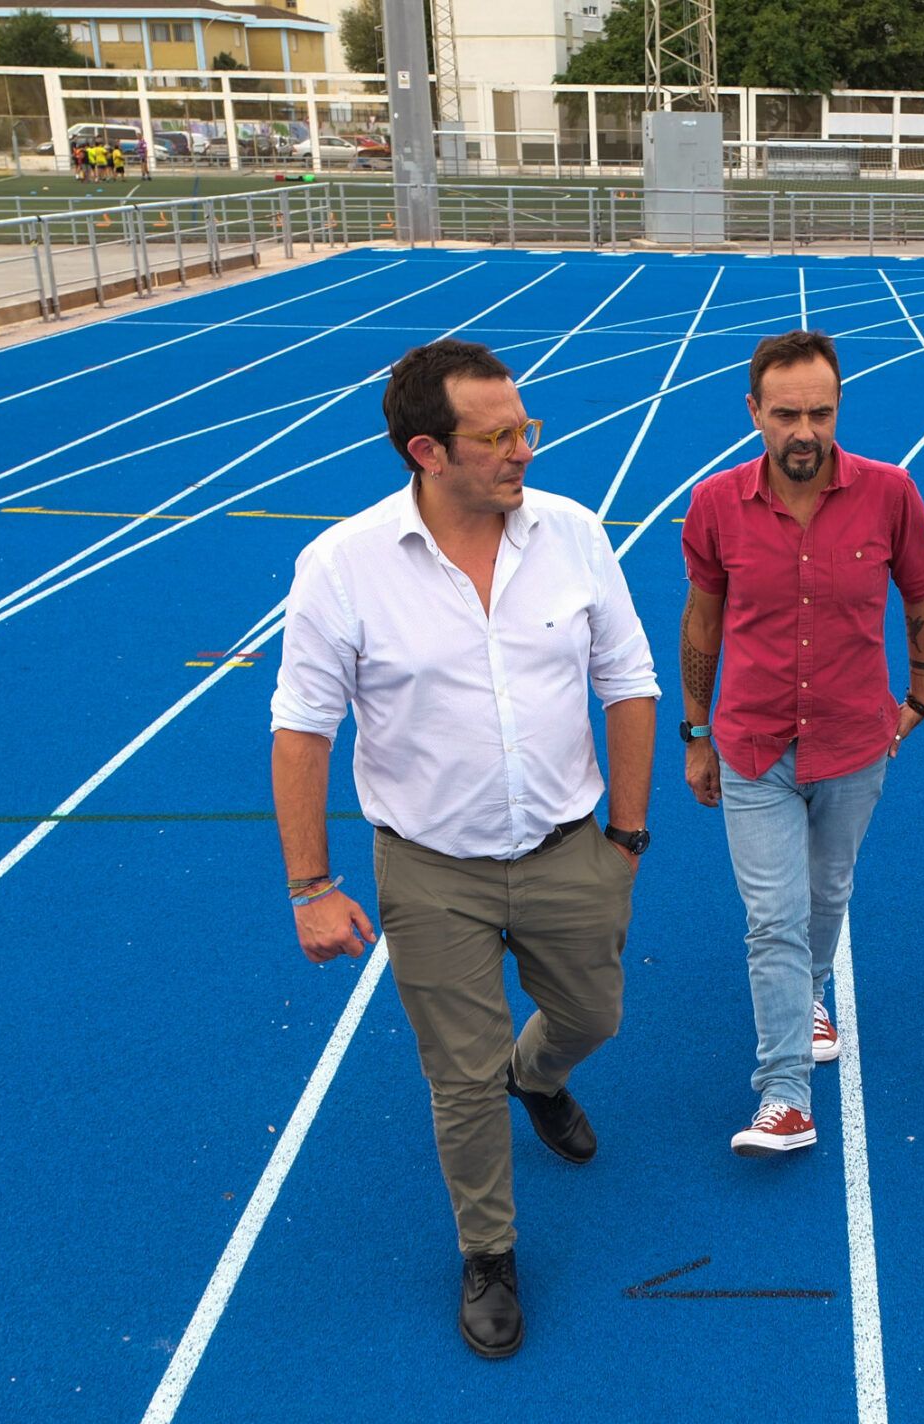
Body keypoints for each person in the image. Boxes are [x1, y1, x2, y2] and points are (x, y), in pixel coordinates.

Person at [270, 338, 660, 1359]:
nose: (523, 450)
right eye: (497, 438)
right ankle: (489, 1253)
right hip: (431, 868)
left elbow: (627, 681)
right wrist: (311, 886)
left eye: (524, 428)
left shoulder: (572, 534)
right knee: (459, 1076)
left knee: (594, 1014)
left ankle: (540, 1076)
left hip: (571, 844)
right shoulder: (342, 567)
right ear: (426, 452)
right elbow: (302, 729)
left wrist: (624, 833)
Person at [679, 330, 924, 1158]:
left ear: (839, 409)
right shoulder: (715, 503)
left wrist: (921, 696)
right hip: (751, 743)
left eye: (820, 412)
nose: (805, 430)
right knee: (773, 917)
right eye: (787, 413)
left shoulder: (892, 493)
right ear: (753, 411)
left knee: (826, 896)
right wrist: (694, 731)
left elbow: (922, 597)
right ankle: (785, 1093)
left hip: (854, 742)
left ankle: (814, 993)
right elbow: (702, 619)